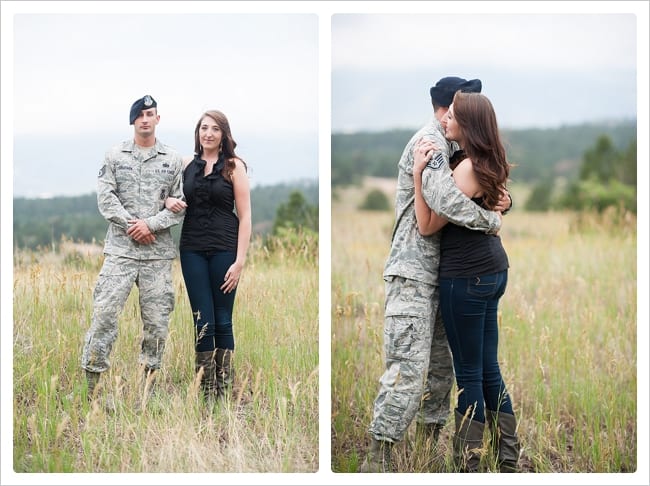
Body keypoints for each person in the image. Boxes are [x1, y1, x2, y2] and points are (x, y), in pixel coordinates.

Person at [359, 77, 511, 473]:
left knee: (442, 374)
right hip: (413, 272)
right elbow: (443, 202)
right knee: (406, 369)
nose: (455, 117)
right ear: (447, 110)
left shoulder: (456, 148)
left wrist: (503, 204)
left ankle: (429, 455)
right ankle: (379, 461)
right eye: (458, 107)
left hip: (449, 274)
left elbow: (484, 182)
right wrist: (490, 220)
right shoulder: (429, 144)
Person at [412, 91, 520, 472]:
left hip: (466, 276)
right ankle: (508, 459)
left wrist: (416, 174)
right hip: (493, 270)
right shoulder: (488, 161)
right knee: (489, 368)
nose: (445, 120)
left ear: (469, 124)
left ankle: (467, 466)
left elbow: (426, 226)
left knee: (470, 375)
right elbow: (500, 200)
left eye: (453, 116)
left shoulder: (464, 169)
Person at [81, 95, 185, 405]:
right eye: (139, 114)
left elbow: (179, 207)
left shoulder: (172, 160)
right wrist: (132, 226)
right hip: (121, 254)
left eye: (150, 114)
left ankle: (146, 394)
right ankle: (93, 392)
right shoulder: (114, 156)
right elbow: (106, 199)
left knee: (156, 325)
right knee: (104, 317)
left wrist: (149, 225)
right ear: (132, 120)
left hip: (156, 256)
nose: (145, 119)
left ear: (158, 119)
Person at [164, 110, 251, 402]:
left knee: (223, 319)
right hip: (192, 249)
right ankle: (206, 389)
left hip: (225, 247)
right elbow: (170, 195)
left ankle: (224, 388)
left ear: (224, 134)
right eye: (204, 128)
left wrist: (240, 261)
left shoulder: (234, 166)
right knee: (202, 319)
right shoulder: (188, 165)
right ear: (198, 133)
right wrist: (168, 200)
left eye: (215, 129)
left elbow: (246, 215)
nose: (209, 133)